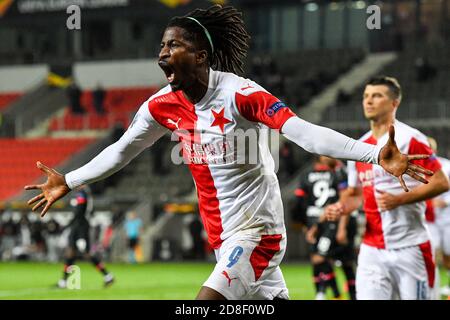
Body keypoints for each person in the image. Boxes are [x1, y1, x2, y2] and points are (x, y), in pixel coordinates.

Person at [25, 6, 433, 300]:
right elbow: (120, 152)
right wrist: (70, 179)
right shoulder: (160, 106)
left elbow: (305, 134)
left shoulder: (242, 94)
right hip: (223, 239)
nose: (162, 54)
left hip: (259, 233)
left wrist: (373, 152)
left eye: (172, 45)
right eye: (161, 46)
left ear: (200, 56)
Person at [325, 76, 450, 300]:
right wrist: (341, 207)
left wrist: (400, 199)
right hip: (371, 249)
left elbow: (441, 182)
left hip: (410, 246)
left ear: (394, 103)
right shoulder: (358, 148)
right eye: (365, 96)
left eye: (377, 95)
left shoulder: (410, 139)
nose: (369, 101)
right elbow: (355, 195)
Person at [293, 156, 357, 300]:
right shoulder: (337, 171)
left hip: (338, 222)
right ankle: (334, 294)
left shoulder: (339, 171)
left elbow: (345, 201)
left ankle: (337, 294)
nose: (329, 156)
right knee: (333, 260)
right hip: (331, 221)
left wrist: (341, 228)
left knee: (326, 259)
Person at [55, 186, 114, 288]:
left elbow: (79, 212)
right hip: (77, 226)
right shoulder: (82, 193)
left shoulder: (82, 193)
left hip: (80, 226)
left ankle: (107, 275)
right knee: (70, 254)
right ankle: (63, 281)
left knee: (86, 254)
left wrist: (70, 225)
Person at [426, 137, 450, 299]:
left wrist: (445, 201)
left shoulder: (446, 166)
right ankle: (431, 288)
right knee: (430, 254)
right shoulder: (416, 168)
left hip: (448, 218)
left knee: (449, 254)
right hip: (429, 220)